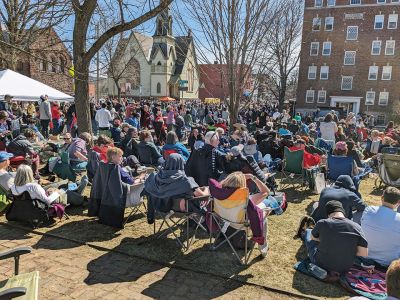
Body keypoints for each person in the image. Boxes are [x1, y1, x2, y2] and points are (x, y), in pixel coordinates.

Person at [300, 200, 368, 274]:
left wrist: (328, 240)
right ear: (342, 212)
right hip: (344, 269)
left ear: (328, 214)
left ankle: (305, 230)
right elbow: (363, 253)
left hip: (321, 264)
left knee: (309, 233)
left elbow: (313, 238)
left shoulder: (323, 222)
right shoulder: (357, 227)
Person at [145, 153, 209, 223]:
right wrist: (207, 188)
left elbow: (147, 188)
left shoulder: (155, 177)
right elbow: (203, 196)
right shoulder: (186, 181)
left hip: (159, 208)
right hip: (181, 211)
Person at [361, 187, 400, 267]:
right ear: (398, 202)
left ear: (382, 198)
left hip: (365, 258)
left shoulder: (369, 210)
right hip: (388, 263)